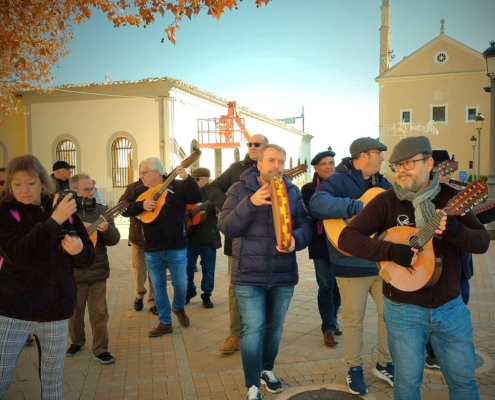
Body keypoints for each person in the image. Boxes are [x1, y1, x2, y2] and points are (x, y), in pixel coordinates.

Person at [339, 136, 490, 400]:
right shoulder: (386, 201)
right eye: (397, 166)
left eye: (408, 163)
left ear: (430, 163)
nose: (401, 171)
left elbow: (481, 242)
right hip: (402, 310)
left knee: (463, 383)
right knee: (407, 386)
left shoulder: (452, 198)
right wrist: (390, 251)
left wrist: (456, 230)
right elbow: (347, 237)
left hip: (450, 308)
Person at [218, 144, 313, 400]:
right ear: (258, 164)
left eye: (281, 161)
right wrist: (251, 203)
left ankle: (267, 369)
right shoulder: (239, 190)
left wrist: (297, 239)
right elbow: (226, 226)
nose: (277, 166)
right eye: (271, 160)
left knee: (275, 328)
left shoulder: (292, 191)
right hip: (249, 274)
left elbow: (306, 224)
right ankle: (252, 385)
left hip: (283, 274)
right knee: (253, 329)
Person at [0, 155, 94, 398]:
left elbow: (88, 256)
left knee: (53, 384)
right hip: (13, 311)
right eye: (17, 183)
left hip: (55, 310)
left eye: (30, 183)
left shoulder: (61, 206)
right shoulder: (6, 212)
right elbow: (19, 254)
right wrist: (54, 221)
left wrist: (80, 250)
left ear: (42, 182)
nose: (24, 190)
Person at [309, 137, 394, 395]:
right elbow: (317, 204)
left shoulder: (384, 182)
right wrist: (359, 206)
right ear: (363, 156)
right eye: (378, 154)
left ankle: (385, 363)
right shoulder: (338, 179)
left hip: (382, 261)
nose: (382, 158)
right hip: (350, 261)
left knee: (389, 317)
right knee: (353, 319)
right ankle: (354, 369)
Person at [122, 157, 201, 338]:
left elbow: (197, 197)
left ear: (157, 173)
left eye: (144, 173)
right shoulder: (140, 190)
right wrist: (141, 205)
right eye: (140, 173)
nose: (141, 176)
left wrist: (187, 178)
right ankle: (165, 322)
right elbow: (124, 208)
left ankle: (178, 307)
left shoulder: (179, 187)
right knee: (158, 288)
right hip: (152, 248)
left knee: (181, 284)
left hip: (177, 246)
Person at [206, 134, 268, 354]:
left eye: (257, 144)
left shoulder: (272, 171)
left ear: (265, 148)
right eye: (249, 144)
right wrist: (230, 206)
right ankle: (234, 335)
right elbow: (212, 188)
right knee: (236, 288)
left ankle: (259, 334)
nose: (252, 147)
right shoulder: (235, 169)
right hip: (238, 239)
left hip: (266, 241)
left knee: (265, 287)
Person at [66, 174, 120, 364]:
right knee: (75, 312)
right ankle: (77, 341)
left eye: (93, 189)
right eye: (87, 190)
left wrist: (107, 230)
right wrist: (82, 228)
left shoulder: (102, 211)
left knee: (99, 313)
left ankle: (101, 349)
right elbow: (58, 237)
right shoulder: (66, 213)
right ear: (74, 192)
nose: (91, 193)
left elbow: (114, 240)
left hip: (97, 270)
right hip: (73, 272)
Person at [301, 148, 342, 347]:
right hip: (319, 244)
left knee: (339, 285)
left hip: (342, 242)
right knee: (326, 285)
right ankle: (328, 328)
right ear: (316, 168)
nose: (328, 167)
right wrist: (337, 209)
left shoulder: (342, 185)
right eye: (324, 164)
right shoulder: (308, 190)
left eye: (331, 163)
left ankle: (333, 319)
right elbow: (314, 212)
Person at [119, 178, 157, 315]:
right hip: (137, 236)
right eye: (142, 172)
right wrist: (141, 205)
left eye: (147, 172)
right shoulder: (132, 188)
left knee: (155, 270)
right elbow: (122, 206)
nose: (144, 175)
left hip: (155, 237)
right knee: (139, 270)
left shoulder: (161, 186)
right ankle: (139, 295)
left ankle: (154, 301)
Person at [186, 167, 221, 309]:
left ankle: (206, 295)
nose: (195, 182)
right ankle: (189, 291)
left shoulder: (213, 193)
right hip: (190, 237)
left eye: (198, 179)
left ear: (207, 179)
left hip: (208, 237)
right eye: (193, 179)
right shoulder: (189, 193)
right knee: (187, 267)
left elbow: (220, 206)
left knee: (208, 269)